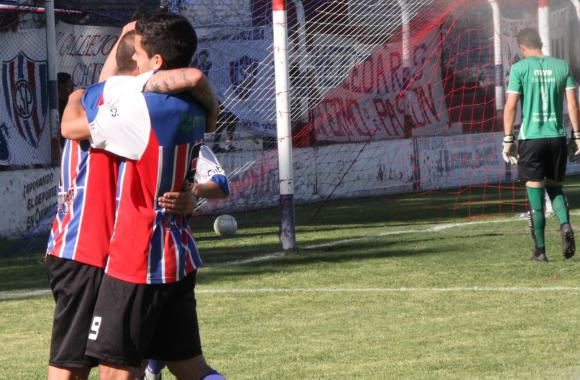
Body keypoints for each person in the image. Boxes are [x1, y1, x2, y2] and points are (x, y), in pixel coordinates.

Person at [46, 21, 218, 380]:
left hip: (129, 255)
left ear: (153, 62)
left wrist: (75, 96)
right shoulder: (195, 109)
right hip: (176, 253)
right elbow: (191, 81)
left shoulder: (130, 106)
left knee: (110, 369)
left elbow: (70, 126)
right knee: (187, 367)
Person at [503, 27, 580, 262]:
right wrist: (577, 136)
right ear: (541, 43)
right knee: (555, 188)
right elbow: (573, 105)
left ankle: (540, 251)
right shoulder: (562, 66)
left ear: (522, 47)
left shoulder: (519, 68)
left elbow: (511, 106)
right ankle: (565, 225)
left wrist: (508, 139)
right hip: (556, 137)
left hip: (532, 138)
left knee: (535, 197)